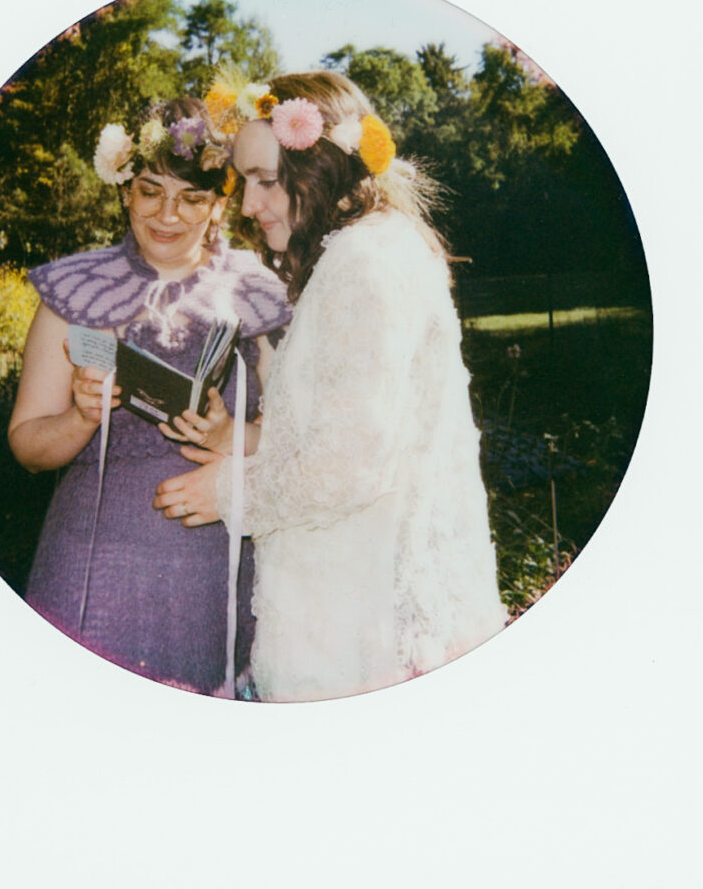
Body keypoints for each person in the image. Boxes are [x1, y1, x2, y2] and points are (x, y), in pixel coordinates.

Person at [153, 72, 509, 702]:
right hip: (356, 616)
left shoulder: (363, 265)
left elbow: (350, 465)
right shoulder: (368, 252)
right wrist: (241, 435)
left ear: (318, 165)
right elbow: (347, 429)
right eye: (245, 183)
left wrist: (225, 491)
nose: (247, 205)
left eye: (266, 181)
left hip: (359, 639)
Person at [8, 97, 290, 696]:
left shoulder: (259, 294)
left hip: (216, 579)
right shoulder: (75, 289)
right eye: (149, 190)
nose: (168, 214)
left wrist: (230, 446)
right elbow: (28, 447)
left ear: (219, 203)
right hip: (92, 574)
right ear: (124, 191)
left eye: (191, 197)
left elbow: (301, 441)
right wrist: (82, 417)